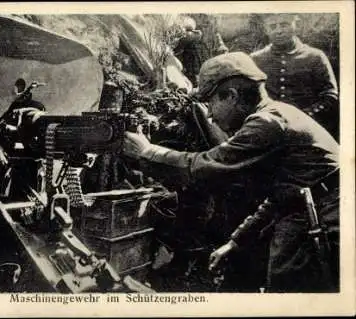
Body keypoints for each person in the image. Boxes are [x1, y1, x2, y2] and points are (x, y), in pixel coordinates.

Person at [122, 52, 339, 292]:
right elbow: (283, 196)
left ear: (232, 96)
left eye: (211, 103)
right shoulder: (275, 114)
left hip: (324, 220)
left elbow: (206, 166)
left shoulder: (266, 124)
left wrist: (147, 151)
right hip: (314, 210)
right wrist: (237, 241)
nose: (211, 115)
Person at [251, 13, 339, 140]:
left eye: (284, 25)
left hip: (308, 127)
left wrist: (303, 115)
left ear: (296, 25)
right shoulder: (256, 59)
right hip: (267, 128)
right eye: (273, 26)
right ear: (266, 30)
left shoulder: (315, 57)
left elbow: (330, 96)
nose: (279, 31)